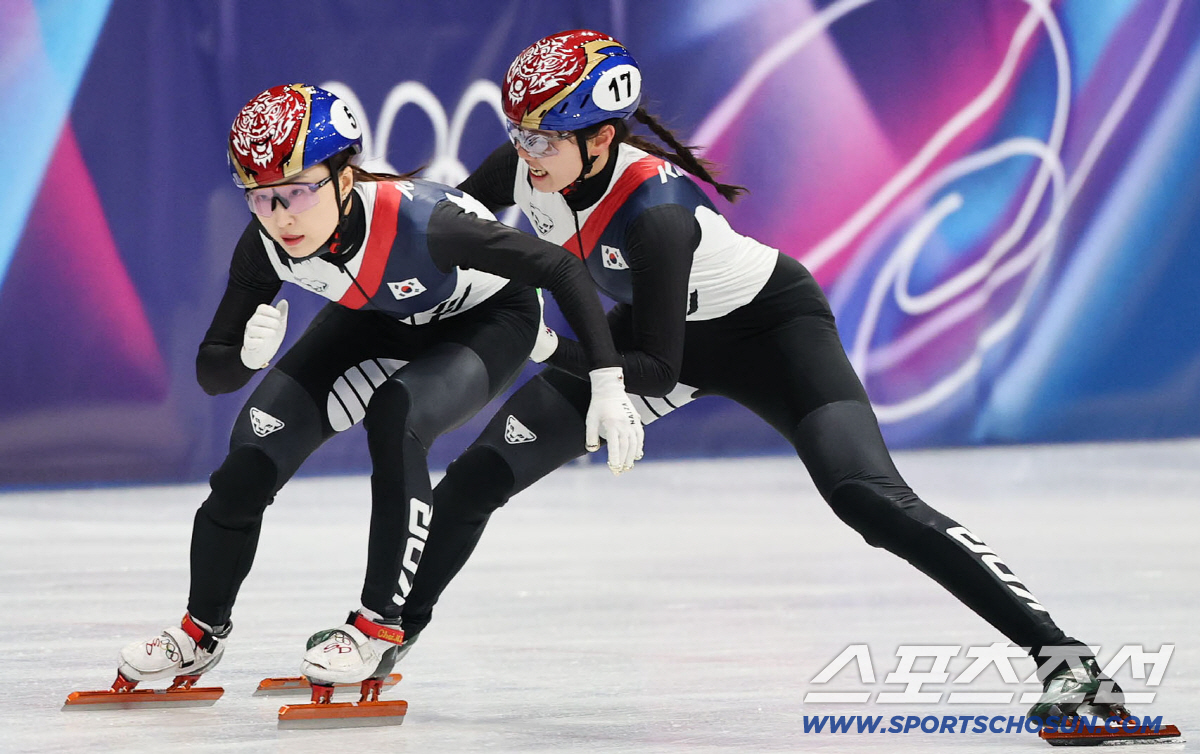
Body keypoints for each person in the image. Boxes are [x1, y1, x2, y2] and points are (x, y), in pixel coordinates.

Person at [396, 30, 1128, 723]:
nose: (526, 153)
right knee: (475, 478)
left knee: (869, 499)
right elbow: (437, 232)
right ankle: (387, 635)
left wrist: (543, 344)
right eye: (518, 133)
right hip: (654, 332)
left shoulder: (656, 214)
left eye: (543, 139)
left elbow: (656, 370)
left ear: (602, 138)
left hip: (769, 335)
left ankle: (1069, 663)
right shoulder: (528, 165)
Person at [112, 82, 643, 694]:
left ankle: (377, 625)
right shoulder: (265, 244)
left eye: (298, 191)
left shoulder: (424, 224)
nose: (282, 216)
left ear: (344, 179)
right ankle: (199, 633)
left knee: (397, 416)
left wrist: (607, 384)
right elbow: (214, 372)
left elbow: (561, 268)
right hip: (380, 318)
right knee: (250, 456)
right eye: (261, 197)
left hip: (490, 320)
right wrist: (247, 358)